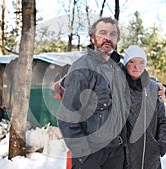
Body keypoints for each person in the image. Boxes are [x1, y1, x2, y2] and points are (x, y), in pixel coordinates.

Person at [57, 17, 131, 169]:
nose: (108, 38)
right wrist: (84, 154)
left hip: (116, 152)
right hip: (92, 155)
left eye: (113, 34)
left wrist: (156, 85)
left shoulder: (119, 68)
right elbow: (66, 118)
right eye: (103, 33)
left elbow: (137, 77)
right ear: (92, 37)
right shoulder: (82, 69)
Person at [122, 45, 166, 169]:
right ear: (125, 64)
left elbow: (163, 121)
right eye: (132, 62)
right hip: (126, 158)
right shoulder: (119, 86)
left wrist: (161, 143)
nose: (136, 66)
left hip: (151, 158)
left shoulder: (154, 88)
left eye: (141, 62)